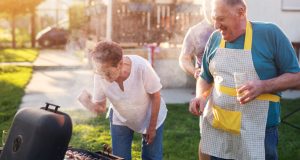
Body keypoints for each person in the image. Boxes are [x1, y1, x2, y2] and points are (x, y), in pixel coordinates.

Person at [189, 0, 300, 159]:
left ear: (241, 12)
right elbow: (205, 77)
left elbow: (296, 77)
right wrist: (200, 95)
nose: (215, 25)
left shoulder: (270, 34)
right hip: (220, 128)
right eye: (214, 18)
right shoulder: (215, 39)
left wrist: (263, 86)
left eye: (221, 19)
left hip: (258, 131)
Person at [78, 41, 168, 160]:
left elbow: (156, 96)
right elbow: (100, 108)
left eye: (107, 72)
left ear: (120, 64)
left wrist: (151, 128)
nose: (103, 76)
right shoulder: (100, 75)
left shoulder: (141, 66)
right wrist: (87, 103)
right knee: (119, 158)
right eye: (100, 71)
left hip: (150, 115)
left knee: (152, 157)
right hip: (120, 117)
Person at [179, 0, 214, 160]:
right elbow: (184, 58)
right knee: (207, 135)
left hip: (230, 86)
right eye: (206, 7)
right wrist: (194, 70)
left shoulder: (230, 25)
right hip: (206, 88)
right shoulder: (195, 31)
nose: (209, 11)